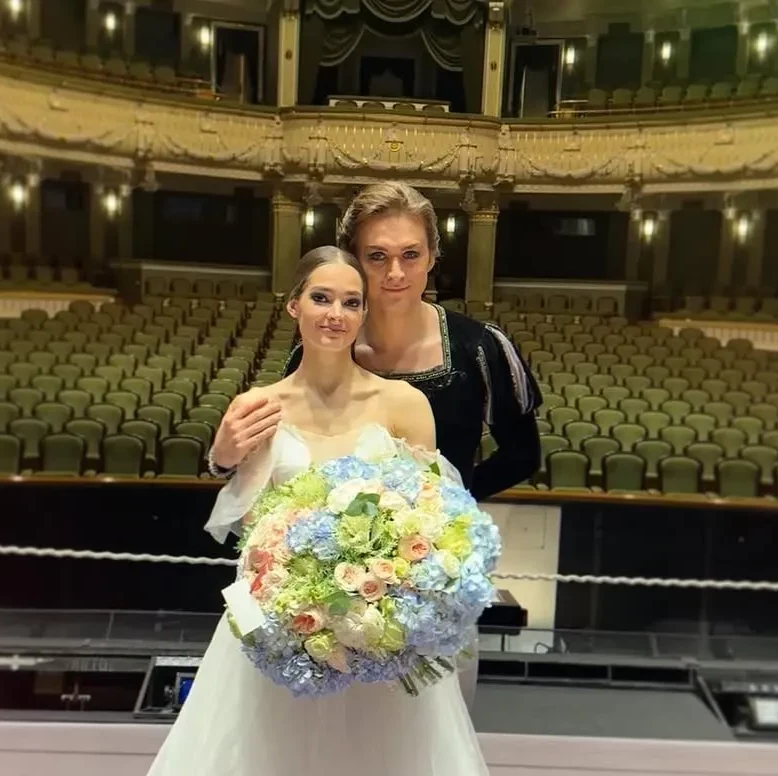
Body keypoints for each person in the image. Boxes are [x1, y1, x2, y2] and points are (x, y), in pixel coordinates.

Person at [105, 246, 543, 776]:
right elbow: (237, 524)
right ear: (294, 307)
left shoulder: (406, 405)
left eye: (350, 301)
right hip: (283, 645)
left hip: (374, 652)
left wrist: (396, 606)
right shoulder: (260, 406)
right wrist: (224, 456)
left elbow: (434, 522)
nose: (336, 314)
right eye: (321, 298)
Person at [210, 182, 542, 708]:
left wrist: (432, 521)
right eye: (377, 257)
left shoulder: (480, 347)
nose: (395, 273)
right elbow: (278, 457)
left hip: (426, 570)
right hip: (334, 584)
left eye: (411, 255)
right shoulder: (326, 338)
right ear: (353, 261)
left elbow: (524, 455)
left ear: (432, 257)